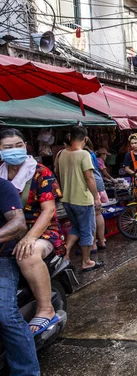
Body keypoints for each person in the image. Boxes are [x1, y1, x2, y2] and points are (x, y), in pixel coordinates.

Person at [0, 129, 65, 335]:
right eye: (8, 147)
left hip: (41, 231)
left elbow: (48, 211)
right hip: (6, 231)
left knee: (27, 254)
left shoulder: (40, 172)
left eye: (18, 145)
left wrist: (30, 237)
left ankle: (46, 308)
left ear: (26, 145)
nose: (14, 150)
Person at [0, 178, 40, 375]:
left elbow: (18, 223)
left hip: (2, 260)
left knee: (5, 315)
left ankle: (26, 371)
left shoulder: (2, 186)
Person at [56, 126, 104, 272]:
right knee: (87, 231)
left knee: (76, 228)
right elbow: (89, 177)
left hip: (67, 199)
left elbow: (57, 172)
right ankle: (87, 261)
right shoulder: (83, 154)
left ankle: (66, 256)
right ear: (86, 139)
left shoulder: (61, 153)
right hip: (82, 200)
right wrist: (96, 197)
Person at [85, 140, 108, 251]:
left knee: (92, 215)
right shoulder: (92, 154)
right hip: (98, 183)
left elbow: (88, 176)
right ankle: (102, 240)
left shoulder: (84, 154)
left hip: (92, 185)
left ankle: (93, 244)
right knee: (98, 214)